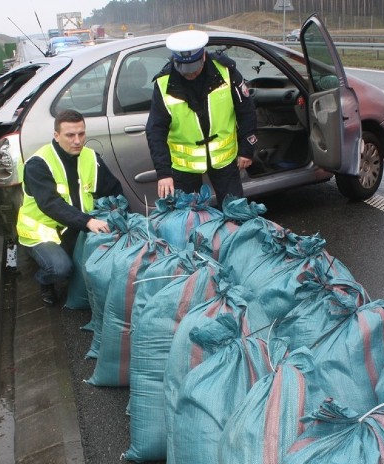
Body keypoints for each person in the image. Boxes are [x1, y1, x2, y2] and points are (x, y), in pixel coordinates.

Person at [16, 109, 124, 305]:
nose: (77, 141)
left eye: (81, 134)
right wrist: (88, 221)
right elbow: (51, 204)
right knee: (61, 269)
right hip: (42, 233)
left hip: (74, 227)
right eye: (70, 135)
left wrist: (123, 217)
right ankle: (44, 279)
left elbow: (113, 189)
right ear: (56, 136)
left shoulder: (90, 157)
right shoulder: (38, 164)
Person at [146, 29, 258, 205]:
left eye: (193, 69)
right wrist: (164, 173)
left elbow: (246, 111)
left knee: (236, 214)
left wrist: (246, 149)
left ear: (203, 56)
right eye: (184, 69)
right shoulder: (163, 82)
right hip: (184, 167)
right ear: (176, 61)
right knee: (188, 221)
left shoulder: (226, 72)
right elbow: (155, 130)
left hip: (224, 161)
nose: (189, 73)